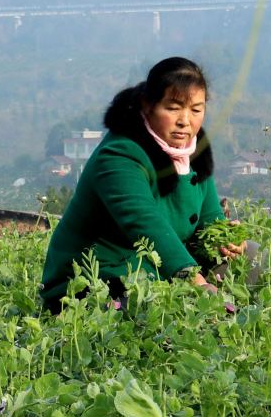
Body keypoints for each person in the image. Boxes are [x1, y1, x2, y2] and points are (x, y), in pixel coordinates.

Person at [39, 56, 243, 312]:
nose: (185, 120)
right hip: (96, 282)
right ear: (147, 106)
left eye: (196, 109)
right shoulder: (119, 156)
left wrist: (224, 239)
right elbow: (145, 224)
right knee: (163, 316)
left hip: (153, 273)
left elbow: (209, 217)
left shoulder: (193, 152)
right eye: (173, 107)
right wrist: (193, 280)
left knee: (252, 258)